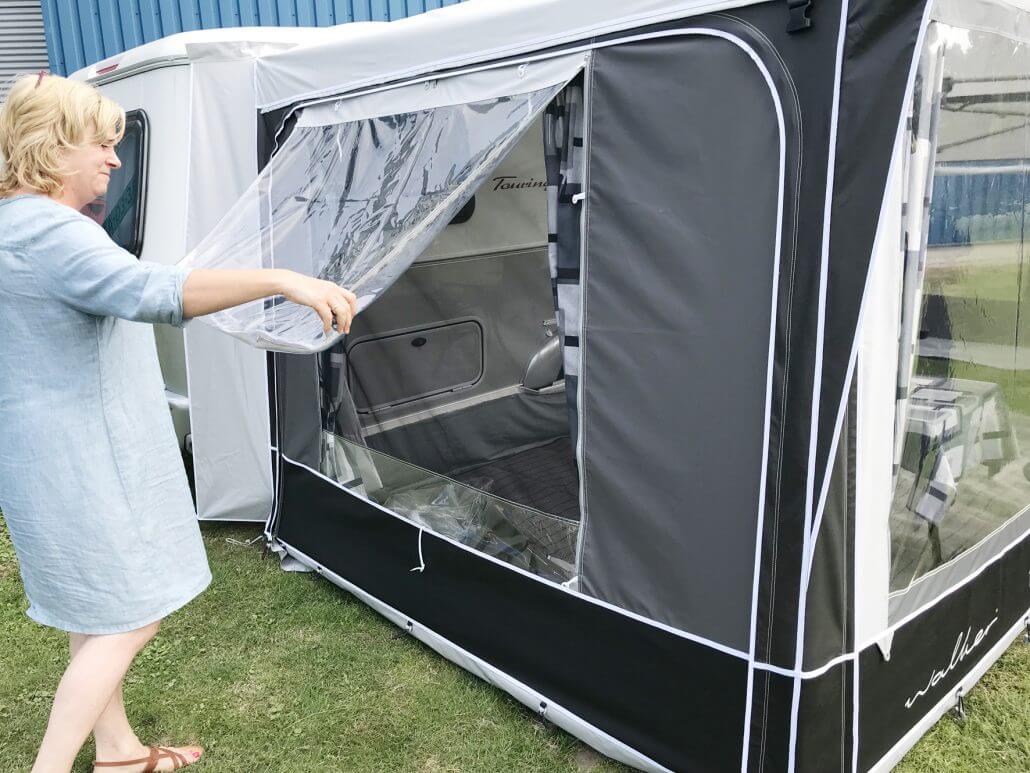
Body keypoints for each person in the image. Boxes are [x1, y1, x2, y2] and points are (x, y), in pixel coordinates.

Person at [0, 72, 358, 773]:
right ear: (50, 148)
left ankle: (120, 754)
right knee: (134, 614)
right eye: (98, 144)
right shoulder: (49, 230)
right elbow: (156, 293)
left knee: (95, 611)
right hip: (85, 459)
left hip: (38, 459)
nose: (112, 158)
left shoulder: (10, 223)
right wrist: (285, 279)